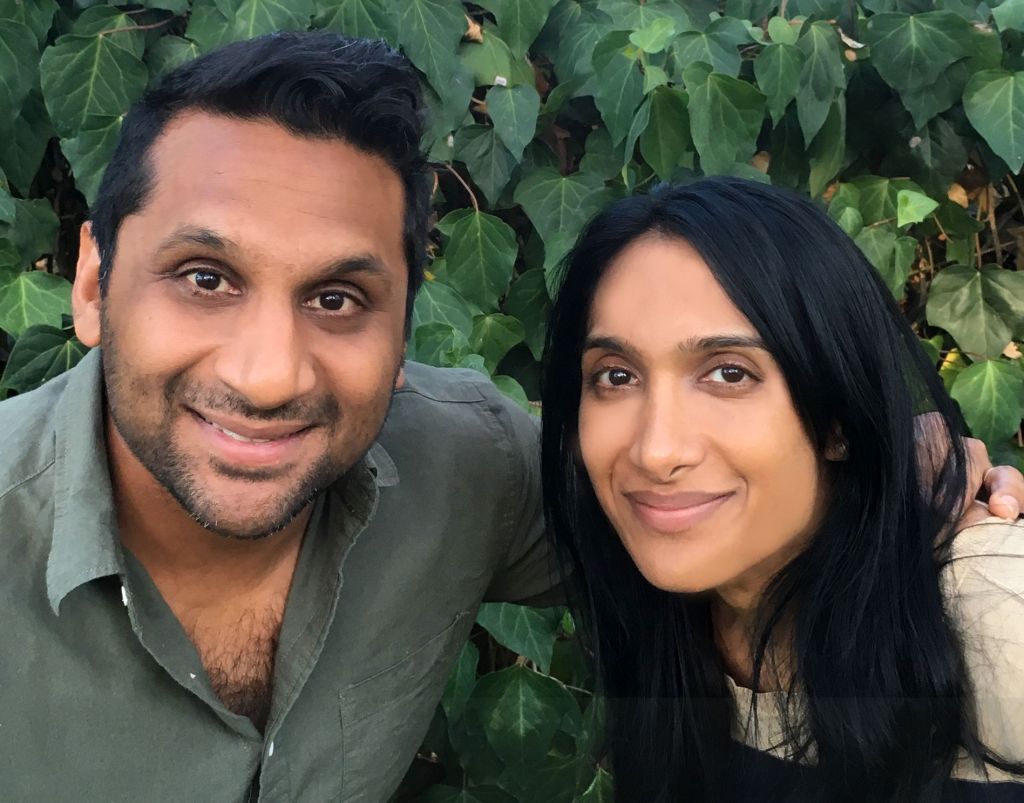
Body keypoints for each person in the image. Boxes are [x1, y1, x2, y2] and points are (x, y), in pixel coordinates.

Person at [0, 32, 1019, 803]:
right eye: (204, 277)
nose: (268, 376)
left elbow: (707, 509)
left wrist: (903, 471)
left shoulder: (469, 466)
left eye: (339, 298)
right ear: (91, 283)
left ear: (404, 330)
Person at [540, 177, 1024, 803]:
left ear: (839, 417)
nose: (655, 451)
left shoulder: (995, 615)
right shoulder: (656, 615)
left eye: (729, 373)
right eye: (616, 376)